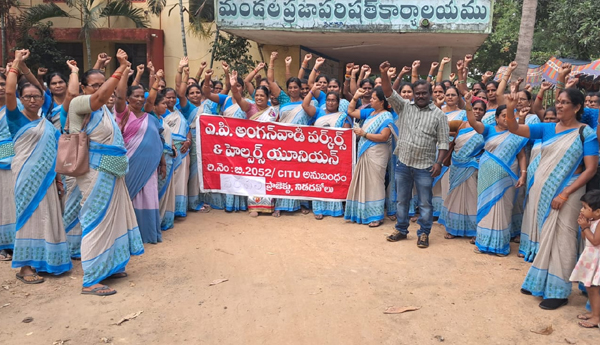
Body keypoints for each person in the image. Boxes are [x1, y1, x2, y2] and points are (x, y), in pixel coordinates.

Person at [510, 89, 598, 309]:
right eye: (558, 102)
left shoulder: (585, 133)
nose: (559, 106)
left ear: (577, 107)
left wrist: (565, 193)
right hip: (543, 192)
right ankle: (540, 281)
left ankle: (559, 292)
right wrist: (510, 108)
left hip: (568, 193)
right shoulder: (548, 128)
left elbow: (590, 169)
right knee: (546, 235)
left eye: (565, 102)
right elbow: (513, 128)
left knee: (563, 238)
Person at [68, 49, 144, 295]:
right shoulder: (79, 104)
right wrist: (120, 68)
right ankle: (91, 280)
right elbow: (101, 97)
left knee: (113, 219)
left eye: (103, 84)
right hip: (94, 170)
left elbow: (115, 95)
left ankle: (109, 266)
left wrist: (123, 69)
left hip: (112, 171)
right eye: (94, 85)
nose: (100, 89)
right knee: (96, 221)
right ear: (83, 87)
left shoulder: (105, 111)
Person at [5, 49, 72, 283]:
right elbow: (11, 89)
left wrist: (57, 178)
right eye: (28, 97)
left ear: (42, 99)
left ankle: (47, 260)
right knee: (28, 216)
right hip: (25, 176)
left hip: (48, 177)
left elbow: (52, 153)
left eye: (37, 97)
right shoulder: (16, 118)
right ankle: (25, 267)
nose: (33, 100)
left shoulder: (45, 121)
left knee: (47, 215)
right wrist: (16, 63)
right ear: (20, 100)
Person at [380, 61, 449, 248]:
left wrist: (439, 162)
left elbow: (444, 141)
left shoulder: (439, 116)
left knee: (425, 202)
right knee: (402, 199)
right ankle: (401, 230)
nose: (419, 96)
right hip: (403, 162)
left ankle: (424, 233)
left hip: (425, 166)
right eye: (417, 93)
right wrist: (384, 73)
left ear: (430, 93)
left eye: (423, 93)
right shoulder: (404, 107)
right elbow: (388, 93)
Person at [466, 102, 527, 256]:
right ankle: (482, 243)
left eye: (510, 116)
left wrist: (523, 173)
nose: (507, 119)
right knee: (485, 205)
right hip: (487, 174)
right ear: (496, 117)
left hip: (507, 176)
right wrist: (467, 103)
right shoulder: (488, 130)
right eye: (504, 116)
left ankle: (500, 245)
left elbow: (521, 155)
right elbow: (473, 121)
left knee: (504, 209)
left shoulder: (516, 133)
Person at [115, 73, 164, 244]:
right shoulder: (122, 114)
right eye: (135, 96)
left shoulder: (150, 118)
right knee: (130, 197)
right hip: (130, 164)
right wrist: (122, 71)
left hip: (150, 167)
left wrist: (162, 162)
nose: (139, 99)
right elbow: (119, 96)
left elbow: (159, 141)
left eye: (141, 96)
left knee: (149, 197)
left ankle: (148, 234)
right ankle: (128, 234)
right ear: (127, 98)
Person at [268, 52, 313, 216]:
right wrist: (272, 61)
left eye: (296, 87)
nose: (293, 89)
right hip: (284, 144)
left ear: (301, 89)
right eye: (291, 87)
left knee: (300, 173)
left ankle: (301, 204)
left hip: (301, 144)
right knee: (283, 172)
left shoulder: (308, 102)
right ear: (287, 89)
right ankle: (280, 205)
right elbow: (271, 82)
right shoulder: (284, 100)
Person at [344, 86, 397, 226]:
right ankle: (362, 212)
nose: (371, 100)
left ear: (381, 101)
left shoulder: (387, 116)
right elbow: (350, 111)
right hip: (365, 152)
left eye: (374, 98)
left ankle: (376, 216)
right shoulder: (370, 113)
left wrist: (364, 134)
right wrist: (355, 97)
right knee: (365, 183)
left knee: (375, 183)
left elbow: (384, 136)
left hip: (377, 153)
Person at [441, 95, 486, 240]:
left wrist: (477, 160)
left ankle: (474, 230)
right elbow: (445, 131)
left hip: (472, 167)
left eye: (480, 109)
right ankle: (453, 228)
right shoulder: (461, 125)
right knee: (454, 195)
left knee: (472, 198)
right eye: (475, 108)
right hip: (456, 164)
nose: (477, 111)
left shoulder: (485, 128)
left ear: (484, 112)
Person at [303, 85, 351, 220]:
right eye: (328, 100)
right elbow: (305, 105)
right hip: (318, 154)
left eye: (333, 100)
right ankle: (318, 209)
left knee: (332, 181)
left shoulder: (343, 117)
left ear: (338, 103)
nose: (330, 102)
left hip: (334, 154)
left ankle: (334, 209)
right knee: (319, 180)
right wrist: (312, 90)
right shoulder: (319, 112)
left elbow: (345, 135)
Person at [570, 190, 600, 328]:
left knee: (594, 288)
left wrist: (585, 227)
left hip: (596, 259)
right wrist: (584, 226)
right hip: (590, 257)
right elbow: (585, 238)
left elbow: (595, 241)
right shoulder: (593, 220)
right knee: (590, 287)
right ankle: (594, 313)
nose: (582, 209)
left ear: (597, 211)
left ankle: (596, 318)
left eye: (585, 207)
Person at [163, 87, 193, 217]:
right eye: (168, 97)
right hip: (169, 150)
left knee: (182, 179)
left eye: (173, 97)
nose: (171, 99)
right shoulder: (160, 112)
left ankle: (179, 210)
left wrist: (188, 141)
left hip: (183, 150)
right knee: (169, 180)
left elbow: (188, 129)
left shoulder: (179, 112)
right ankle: (168, 210)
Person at [0, 72, 16, 261]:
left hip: (14, 161)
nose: (1, 87)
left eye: (3, 83)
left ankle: (13, 243)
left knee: (12, 202)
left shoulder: (16, 108)